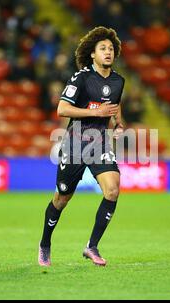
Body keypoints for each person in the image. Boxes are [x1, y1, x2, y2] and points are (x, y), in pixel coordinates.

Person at [38, 27, 125, 267]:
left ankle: (92, 246)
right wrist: (94, 111)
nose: (108, 52)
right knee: (62, 198)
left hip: (99, 143)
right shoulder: (81, 78)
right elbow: (62, 109)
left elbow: (115, 107)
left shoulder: (119, 81)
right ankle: (45, 243)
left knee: (112, 190)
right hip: (75, 143)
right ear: (93, 55)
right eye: (102, 48)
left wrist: (118, 124)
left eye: (110, 49)